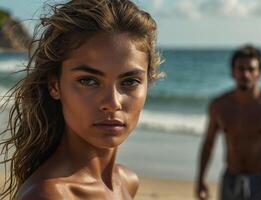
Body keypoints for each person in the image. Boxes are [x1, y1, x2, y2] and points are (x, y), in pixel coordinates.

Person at [0, 0, 162, 199]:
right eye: (88, 80)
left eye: (130, 81)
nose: (113, 103)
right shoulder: (48, 195)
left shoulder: (127, 181)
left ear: (148, 82)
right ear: (55, 85)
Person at [196, 45, 261, 200]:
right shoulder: (219, 106)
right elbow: (208, 143)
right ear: (233, 71)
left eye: (251, 69)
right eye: (241, 68)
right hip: (231, 178)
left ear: (260, 73)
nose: (245, 74)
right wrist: (200, 179)